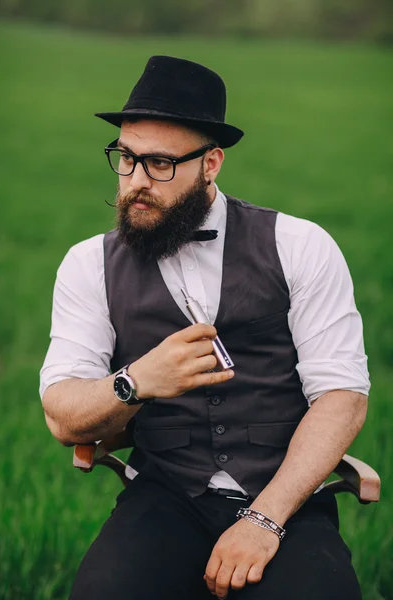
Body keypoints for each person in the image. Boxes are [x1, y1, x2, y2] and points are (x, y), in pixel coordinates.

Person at [40, 56, 370, 600]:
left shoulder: (300, 245)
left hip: (284, 495)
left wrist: (265, 521)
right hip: (164, 494)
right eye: (125, 159)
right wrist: (136, 380)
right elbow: (63, 411)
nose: (136, 182)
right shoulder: (86, 265)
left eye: (160, 164)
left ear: (211, 163)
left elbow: (342, 397)